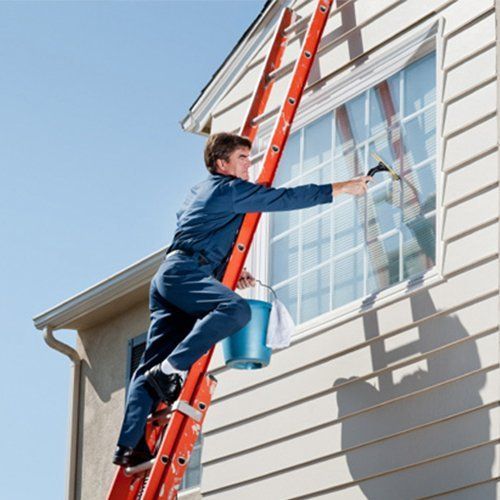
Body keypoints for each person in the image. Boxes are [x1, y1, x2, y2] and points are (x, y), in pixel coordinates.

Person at [113, 132, 372, 466]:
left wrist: (227, 272)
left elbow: (201, 234)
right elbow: (282, 198)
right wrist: (342, 188)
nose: (250, 165)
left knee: (149, 364)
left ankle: (129, 446)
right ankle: (171, 370)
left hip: (171, 276)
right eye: (243, 159)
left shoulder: (200, 191)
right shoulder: (229, 189)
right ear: (222, 164)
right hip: (185, 273)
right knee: (234, 310)